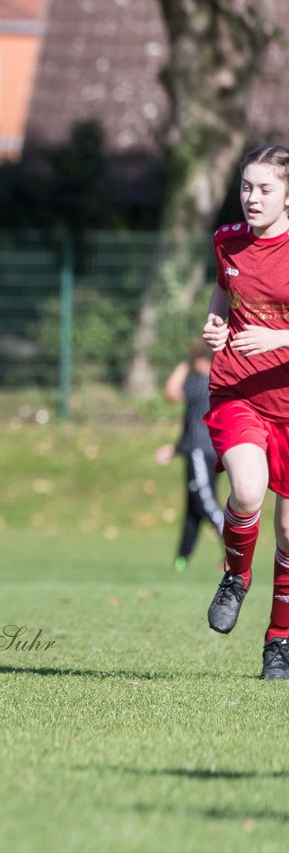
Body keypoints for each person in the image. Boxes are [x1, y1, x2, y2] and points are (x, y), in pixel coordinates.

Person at [201, 143, 289, 680]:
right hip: (239, 392)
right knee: (248, 490)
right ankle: (235, 576)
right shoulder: (227, 241)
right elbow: (221, 290)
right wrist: (215, 325)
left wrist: (281, 335)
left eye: (265, 189)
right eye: (246, 187)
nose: (251, 198)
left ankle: (279, 641)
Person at [153, 340, 223, 572]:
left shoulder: (201, 382)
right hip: (208, 451)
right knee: (193, 508)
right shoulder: (217, 383)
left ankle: (237, 546)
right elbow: (194, 424)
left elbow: (171, 393)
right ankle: (181, 559)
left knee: (205, 503)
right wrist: (174, 449)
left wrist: (185, 364)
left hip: (199, 452)